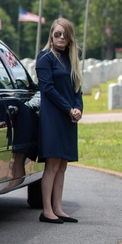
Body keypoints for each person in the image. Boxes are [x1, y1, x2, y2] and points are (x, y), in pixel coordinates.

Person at [35, 18, 83, 224]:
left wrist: (79, 109)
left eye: (65, 34)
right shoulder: (45, 58)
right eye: (57, 34)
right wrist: (68, 109)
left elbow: (77, 87)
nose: (61, 38)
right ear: (51, 36)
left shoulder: (71, 59)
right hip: (54, 117)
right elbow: (48, 89)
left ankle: (58, 208)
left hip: (69, 117)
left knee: (63, 165)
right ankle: (47, 211)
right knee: (52, 164)